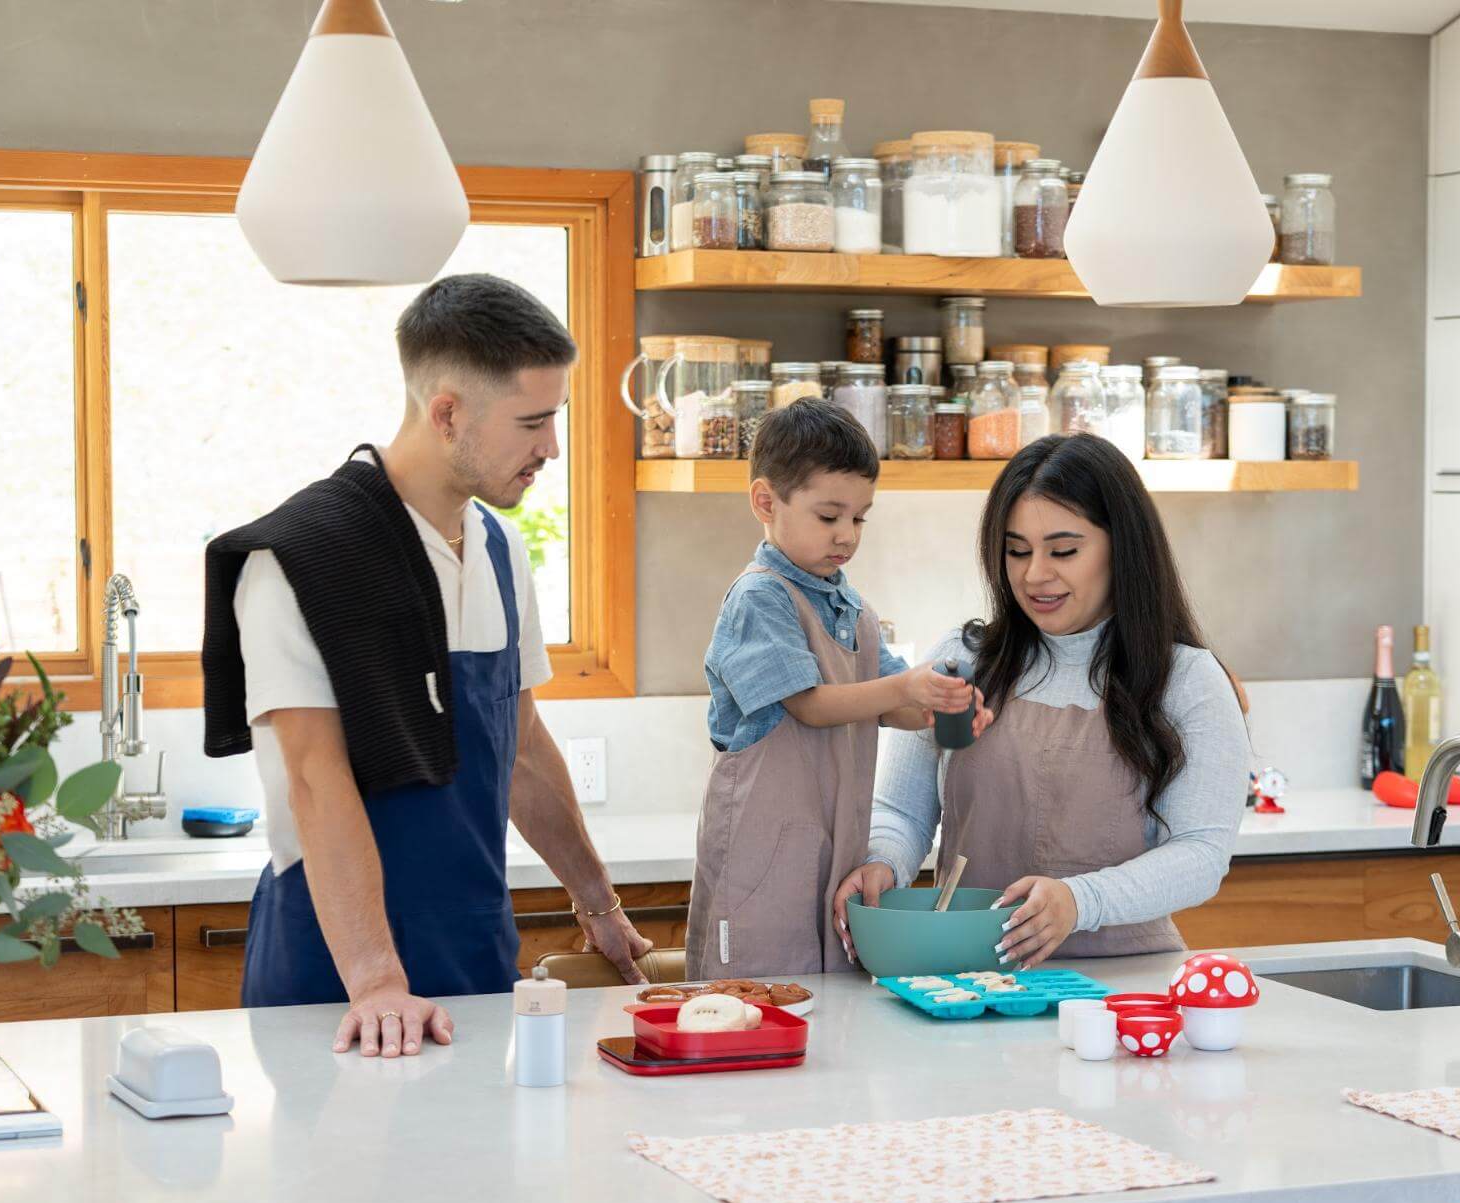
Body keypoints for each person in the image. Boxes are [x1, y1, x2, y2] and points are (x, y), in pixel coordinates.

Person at [201, 274, 649, 1058]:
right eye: (533, 422)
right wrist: (377, 980)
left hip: (471, 950)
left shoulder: (501, 547)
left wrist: (598, 901)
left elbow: (520, 745)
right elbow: (313, 775)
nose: (551, 447)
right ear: (447, 413)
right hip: (338, 974)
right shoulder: (297, 557)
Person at [835, 433, 1249, 969]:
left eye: (1064, 551)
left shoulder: (1187, 680)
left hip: (1123, 987)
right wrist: (883, 863)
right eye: (1017, 551)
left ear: (1121, 547)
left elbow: (1200, 855)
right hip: (969, 980)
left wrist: (1079, 901)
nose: (1034, 575)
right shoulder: (963, 662)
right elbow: (902, 810)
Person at [688, 398, 991, 980]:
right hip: (761, 855)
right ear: (765, 502)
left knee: (830, 998)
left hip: (835, 848)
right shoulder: (760, 599)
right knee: (756, 994)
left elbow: (887, 706)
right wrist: (904, 685)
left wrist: (932, 708)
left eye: (859, 518)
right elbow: (811, 705)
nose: (847, 535)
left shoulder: (850, 606)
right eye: (829, 517)